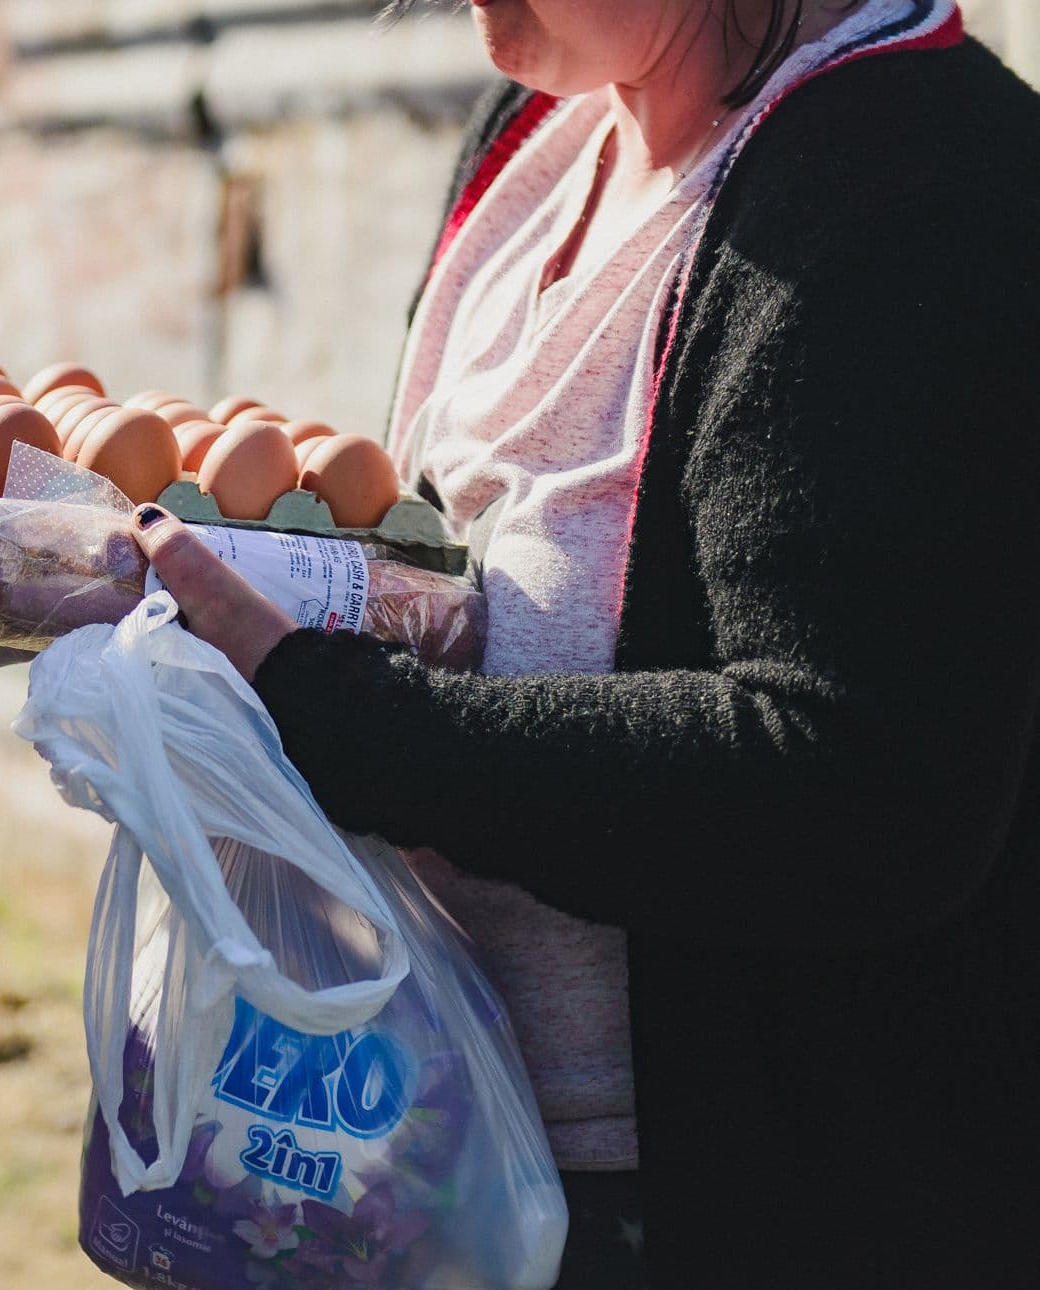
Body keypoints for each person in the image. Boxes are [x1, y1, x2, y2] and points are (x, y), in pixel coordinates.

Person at [135, 0, 1040, 1285]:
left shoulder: (924, 195)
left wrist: (330, 715)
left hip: (745, 1196)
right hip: (447, 1141)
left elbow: (855, 788)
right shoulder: (542, 127)